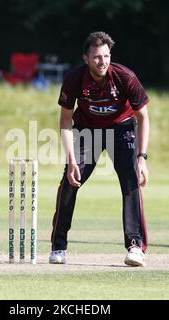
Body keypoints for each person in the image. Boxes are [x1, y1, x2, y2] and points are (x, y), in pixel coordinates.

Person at [49, 31, 150, 267]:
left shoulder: (125, 77)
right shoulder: (75, 78)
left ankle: (135, 247)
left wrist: (142, 158)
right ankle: (59, 247)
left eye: (106, 56)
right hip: (87, 130)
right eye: (96, 57)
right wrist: (72, 160)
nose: (102, 61)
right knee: (70, 183)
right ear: (86, 58)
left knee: (130, 182)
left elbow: (143, 117)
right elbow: (65, 120)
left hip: (122, 128)